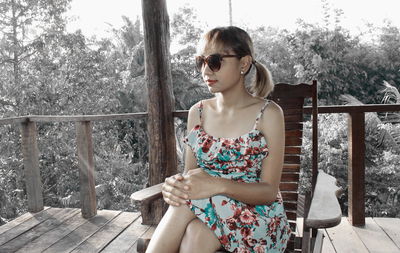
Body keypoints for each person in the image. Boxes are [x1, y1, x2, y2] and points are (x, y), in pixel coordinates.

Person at [146, 26, 291, 253]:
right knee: (194, 233)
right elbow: (191, 176)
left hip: (257, 217)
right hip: (206, 210)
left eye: (214, 61)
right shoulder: (198, 113)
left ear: (243, 64)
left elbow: (269, 192)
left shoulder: (268, 114)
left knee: (185, 206)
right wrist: (175, 186)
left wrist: (217, 185)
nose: (206, 70)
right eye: (201, 61)